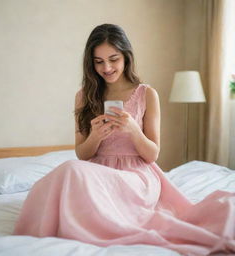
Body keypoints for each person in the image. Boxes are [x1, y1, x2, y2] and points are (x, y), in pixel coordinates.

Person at [13, 24, 235, 255]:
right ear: (91, 63)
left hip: (137, 176)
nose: (106, 67)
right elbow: (82, 154)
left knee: (70, 170)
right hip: (99, 173)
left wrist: (133, 131)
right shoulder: (83, 96)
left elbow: (152, 154)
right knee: (68, 171)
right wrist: (96, 136)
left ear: (126, 57)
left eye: (113, 59)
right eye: (98, 61)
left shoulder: (146, 94)